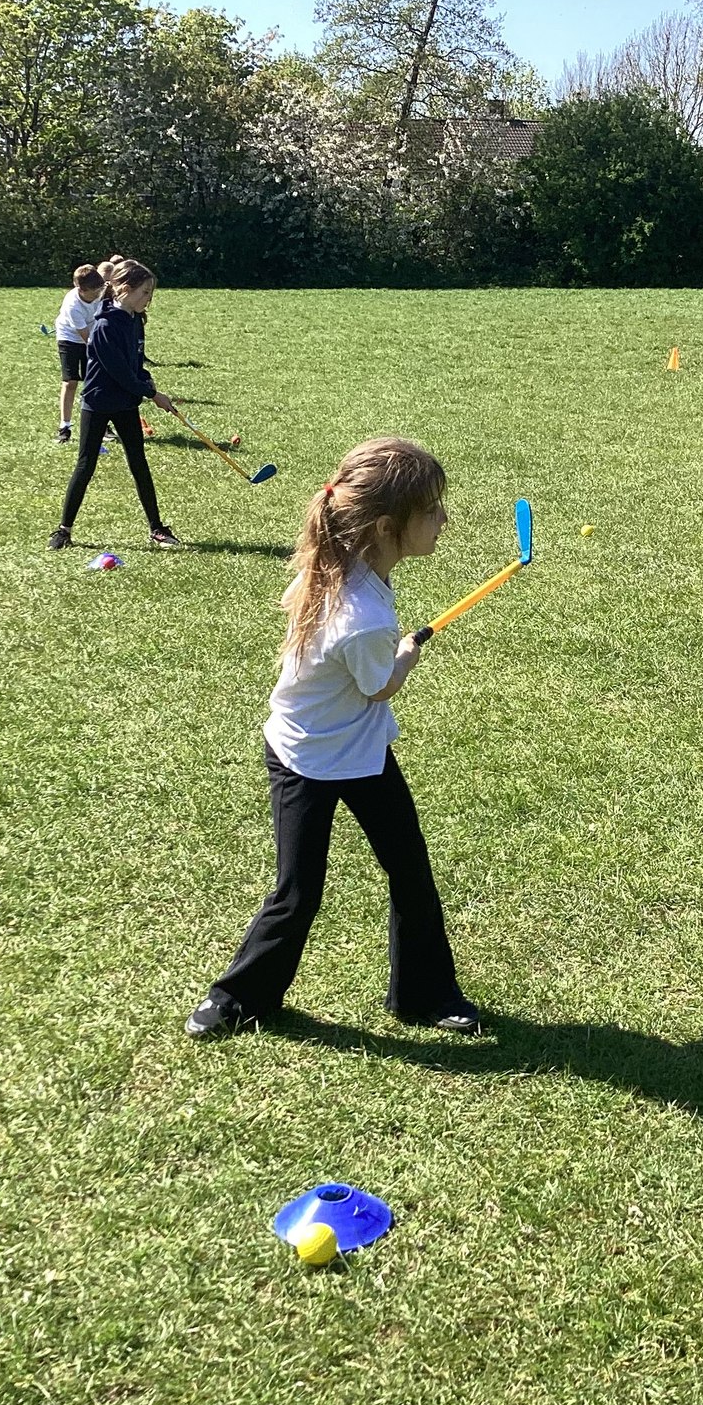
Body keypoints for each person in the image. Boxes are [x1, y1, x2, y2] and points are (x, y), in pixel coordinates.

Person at [187, 438, 480, 1040]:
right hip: (306, 757)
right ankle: (236, 998)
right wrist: (405, 655)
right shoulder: (364, 618)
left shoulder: (341, 565)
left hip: (360, 753)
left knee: (410, 873)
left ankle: (425, 994)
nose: (444, 520)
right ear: (386, 526)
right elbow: (379, 688)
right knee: (297, 891)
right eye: (432, 510)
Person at [48, 258, 179, 551]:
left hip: (125, 403)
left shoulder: (134, 320)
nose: (148, 299)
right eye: (145, 292)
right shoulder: (105, 325)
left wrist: (148, 380)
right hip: (98, 402)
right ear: (124, 289)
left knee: (139, 462)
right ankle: (63, 530)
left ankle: (156, 528)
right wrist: (152, 394)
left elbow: (135, 363)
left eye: (150, 293)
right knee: (86, 464)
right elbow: (120, 372)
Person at [53, 263, 104, 444]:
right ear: (81, 290)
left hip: (91, 333)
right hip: (70, 338)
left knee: (95, 382)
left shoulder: (100, 292)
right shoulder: (73, 305)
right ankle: (65, 426)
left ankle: (101, 424)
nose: (98, 294)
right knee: (71, 382)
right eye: (94, 291)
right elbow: (86, 338)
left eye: (100, 289)